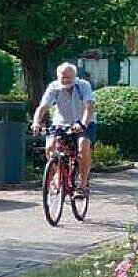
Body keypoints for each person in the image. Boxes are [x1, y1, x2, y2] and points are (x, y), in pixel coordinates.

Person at [31, 63, 97, 197]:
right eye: (63, 77)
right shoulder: (54, 87)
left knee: (83, 144)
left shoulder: (83, 86)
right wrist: (36, 123)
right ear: (58, 76)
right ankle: (57, 172)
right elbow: (42, 107)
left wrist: (82, 124)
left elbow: (89, 107)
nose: (65, 80)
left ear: (74, 76)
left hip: (84, 122)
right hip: (61, 123)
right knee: (50, 147)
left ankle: (82, 184)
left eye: (68, 77)